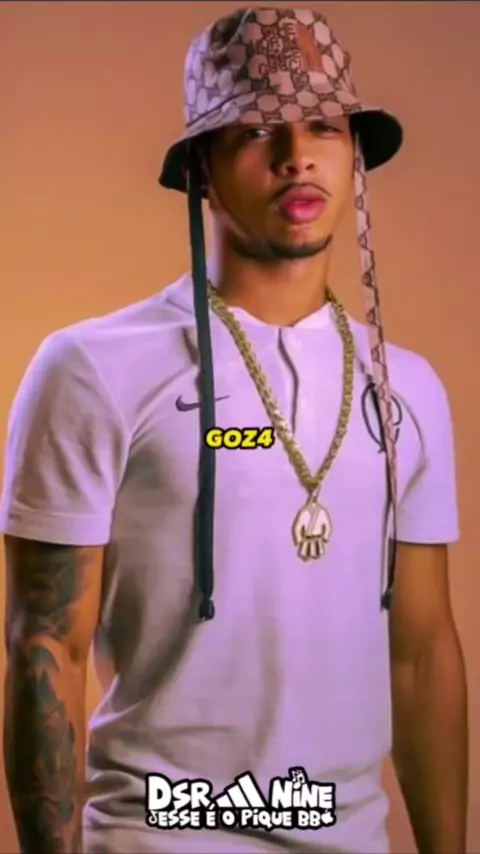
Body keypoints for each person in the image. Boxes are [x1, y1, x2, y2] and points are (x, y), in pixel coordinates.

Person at [1, 6, 468, 854]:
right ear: (201, 170)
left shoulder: (409, 390)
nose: (297, 155)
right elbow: (46, 648)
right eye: (255, 131)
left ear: (354, 155)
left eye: (324, 126)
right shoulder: (92, 369)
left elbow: (422, 654)